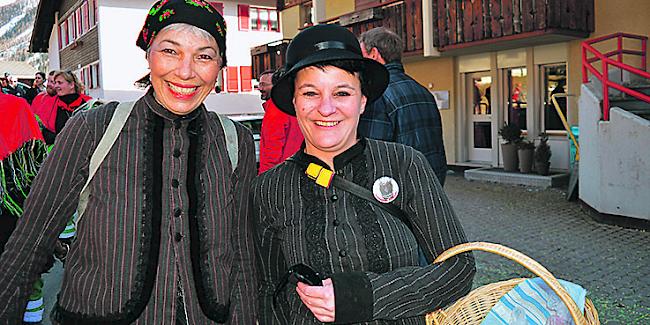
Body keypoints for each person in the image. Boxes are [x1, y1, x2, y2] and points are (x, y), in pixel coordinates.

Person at [0, 0, 258, 323]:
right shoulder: (92, 129)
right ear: (148, 53)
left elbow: (243, 254)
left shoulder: (237, 142)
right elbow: (29, 244)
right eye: (170, 51)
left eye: (204, 56)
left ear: (220, 65)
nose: (186, 71)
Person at [253, 24, 475, 324]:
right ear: (294, 102)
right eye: (310, 93)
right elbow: (268, 291)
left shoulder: (405, 164)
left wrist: (364, 296)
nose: (326, 108)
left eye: (342, 92)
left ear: (362, 101)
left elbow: (459, 268)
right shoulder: (268, 189)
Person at [358, 27, 449, 186]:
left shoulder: (377, 94)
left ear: (374, 54)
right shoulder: (423, 91)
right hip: (430, 184)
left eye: (361, 55)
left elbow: (371, 155)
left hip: (398, 191)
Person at [258, 68, 304, 174]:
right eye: (260, 84)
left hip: (281, 176)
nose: (260, 88)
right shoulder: (296, 105)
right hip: (298, 172)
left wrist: (264, 180)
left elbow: (271, 152)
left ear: (277, 87)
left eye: (264, 84)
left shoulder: (275, 109)